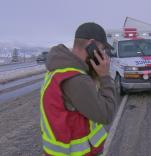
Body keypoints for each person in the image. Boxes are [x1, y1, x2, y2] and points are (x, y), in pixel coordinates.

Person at [40, 22, 117, 156]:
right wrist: (105, 76)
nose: (104, 53)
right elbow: (107, 114)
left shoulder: (59, 69)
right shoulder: (76, 79)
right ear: (91, 45)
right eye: (102, 48)